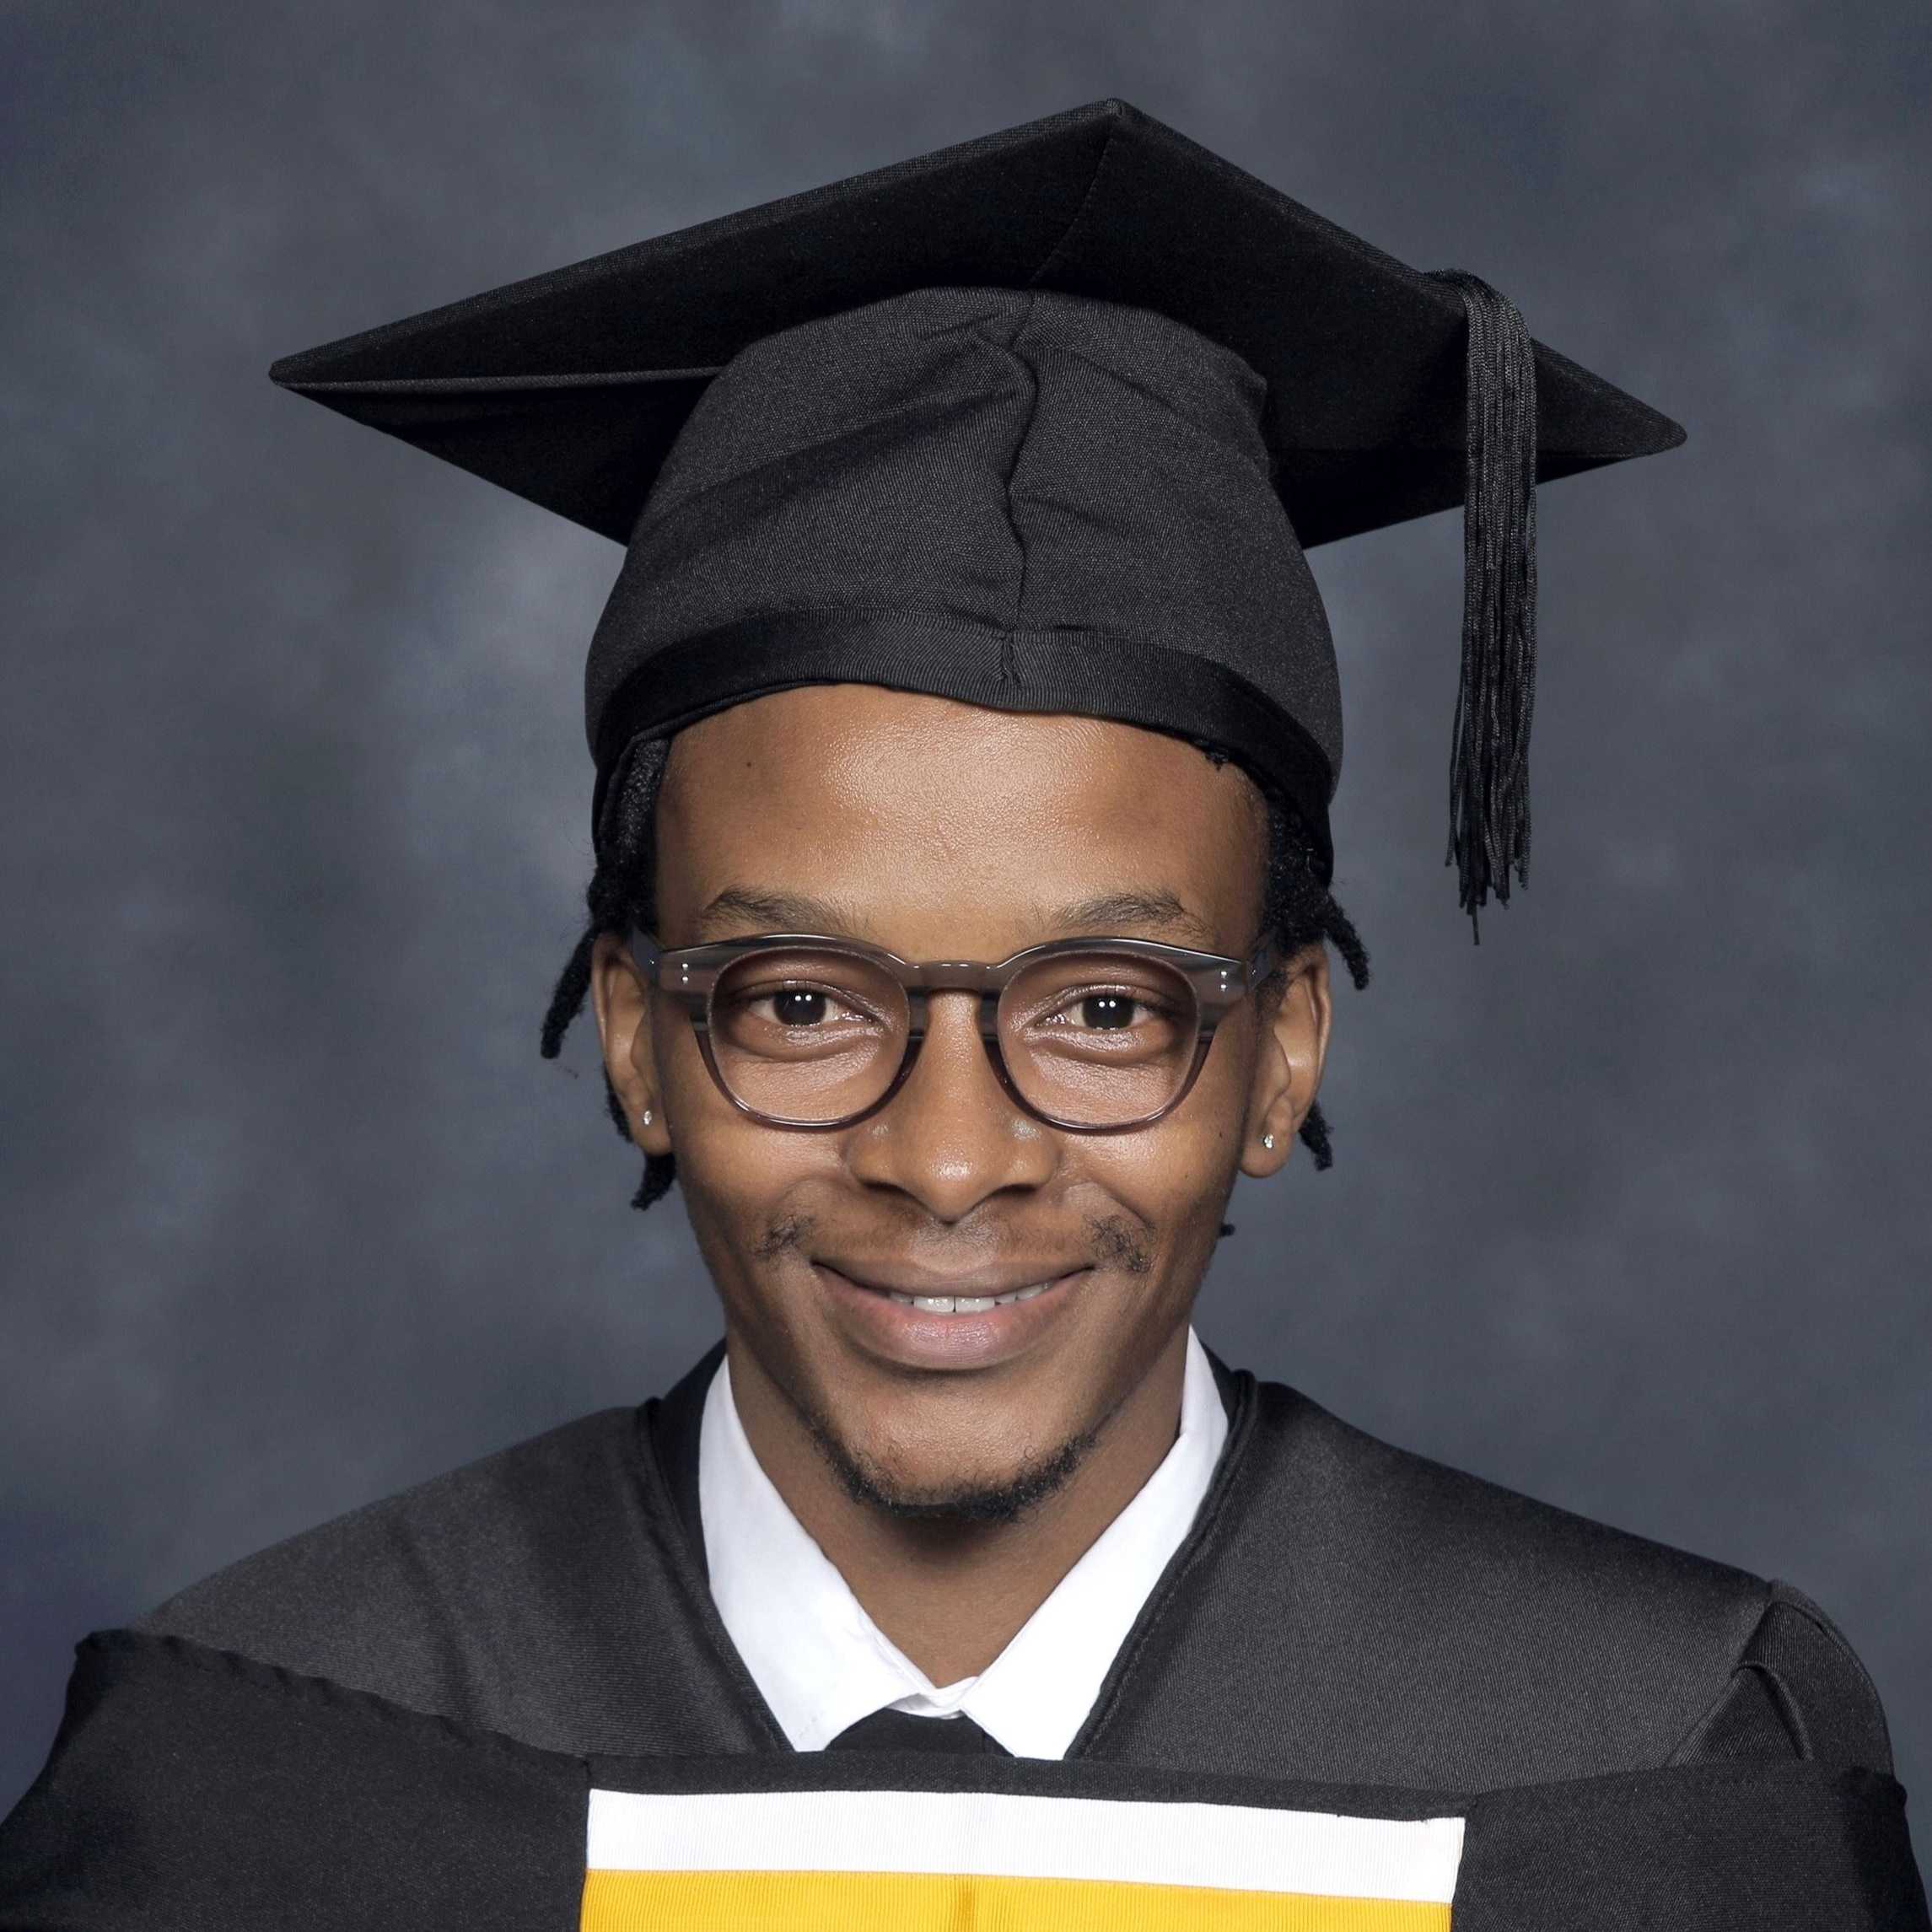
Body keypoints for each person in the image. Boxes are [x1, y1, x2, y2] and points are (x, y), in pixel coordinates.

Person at [3, 98, 1924, 1929]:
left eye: (1105, 1007)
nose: (944, 1160)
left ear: (1284, 1054)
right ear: (634, 1040)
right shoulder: (268, 1776)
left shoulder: (1638, 1773)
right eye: (801, 1000)